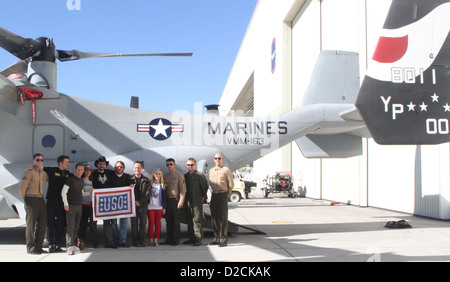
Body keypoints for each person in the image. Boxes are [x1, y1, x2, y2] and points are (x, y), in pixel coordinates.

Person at [19, 154, 49, 255]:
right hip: (31, 199)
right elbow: (22, 188)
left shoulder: (44, 173)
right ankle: (31, 248)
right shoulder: (28, 173)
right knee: (31, 225)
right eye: (37, 160)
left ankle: (39, 247)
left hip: (40, 199)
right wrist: (26, 200)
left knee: (42, 224)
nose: (39, 162)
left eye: (41, 160)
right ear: (33, 161)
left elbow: (51, 179)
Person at [43, 155, 72, 253]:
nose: (68, 164)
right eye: (66, 162)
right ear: (60, 163)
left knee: (61, 224)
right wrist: (32, 168)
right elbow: (41, 169)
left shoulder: (68, 173)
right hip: (51, 200)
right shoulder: (51, 170)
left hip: (61, 202)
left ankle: (58, 244)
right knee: (49, 223)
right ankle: (50, 244)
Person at [209, 153, 234, 247]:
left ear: (222, 159)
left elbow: (231, 184)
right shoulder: (211, 170)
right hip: (214, 195)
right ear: (214, 159)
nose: (217, 160)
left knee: (223, 218)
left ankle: (223, 239)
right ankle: (216, 238)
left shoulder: (226, 170)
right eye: (216, 158)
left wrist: (227, 195)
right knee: (214, 218)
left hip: (222, 194)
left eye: (219, 158)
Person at [61, 163, 85, 254]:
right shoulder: (70, 180)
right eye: (79, 169)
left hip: (79, 206)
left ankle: (73, 244)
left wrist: (91, 193)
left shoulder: (81, 181)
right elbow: (63, 192)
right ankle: (69, 245)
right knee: (70, 226)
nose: (80, 171)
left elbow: (81, 193)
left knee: (76, 226)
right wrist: (65, 204)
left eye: (82, 170)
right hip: (71, 206)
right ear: (75, 170)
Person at [183, 158, 209, 246]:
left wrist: (201, 198)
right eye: (188, 165)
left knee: (197, 219)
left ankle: (198, 239)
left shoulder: (199, 175)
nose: (190, 167)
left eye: (192, 165)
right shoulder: (185, 176)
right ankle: (191, 238)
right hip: (188, 202)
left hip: (196, 201)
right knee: (189, 220)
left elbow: (205, 188)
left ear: (195, 165)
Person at [92, 156, 116, 248]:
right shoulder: (93, 174)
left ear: (106, 165)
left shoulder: (110, 173)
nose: (102, 165)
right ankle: (94, 241)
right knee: (94, 222)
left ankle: (109, 242)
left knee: (107, 222)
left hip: (107, 201)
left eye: (103, 164)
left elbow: (120, 174)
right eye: (100, 163)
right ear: (97, 164)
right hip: (95, 200)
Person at [162, 158, 186, 246]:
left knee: (176, 221)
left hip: (176, 199)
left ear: (174, 164)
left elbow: (183, 190)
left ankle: (176, 239)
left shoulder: (179, 175)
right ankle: (169, 239)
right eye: (167, 164)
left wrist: (181, 201)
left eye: (171, 164)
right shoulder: (165, 176)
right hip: (168, 200)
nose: (169, 166)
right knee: (168, 221)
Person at [110, 160, 132, 247]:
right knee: (114, 222)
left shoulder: (127, 177)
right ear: (115, 168)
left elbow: (131, 186)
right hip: (113, 203)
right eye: (117, 167)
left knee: (124, 222)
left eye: (121, 166)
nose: (119, 168)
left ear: (123, 168)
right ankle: (115, 240)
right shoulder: (111, 176)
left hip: (124, 203)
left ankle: (122, 240)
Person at [78, 164, 98, 249]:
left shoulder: (93, 181)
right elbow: (80, 193)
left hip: (92, 205)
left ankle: (94, 241)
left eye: (89, 171)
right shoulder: (81, 181)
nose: (88, 172)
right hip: (83, 205)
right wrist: (89, 193)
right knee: (82, 224)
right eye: (86, 170)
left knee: (93, 225)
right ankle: (81, 241)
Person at [130, 161, 151, 247]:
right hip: (133, 205)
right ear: (133, 168)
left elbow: (148, 193)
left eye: (138, 167)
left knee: (143, 224)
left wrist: (139, 202)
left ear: (142, 168)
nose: (137, 169)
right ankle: (135, 241)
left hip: (142, 205)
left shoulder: (146, 180)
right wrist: (134, 202)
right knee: (134, 224)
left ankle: (141, 240)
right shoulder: (129, 179)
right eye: (135, 167)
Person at [147, 168, 167, 246]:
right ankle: (151, 240)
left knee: (158, 224)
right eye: (156, 174)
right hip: (150, 206)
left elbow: (165, 198)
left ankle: (156, 240)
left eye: (159, 174)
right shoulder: (150, 184)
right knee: (151, 223)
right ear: (153, 175)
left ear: (161, 175)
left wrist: (164, 207)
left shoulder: (163, 185)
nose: (157, 175)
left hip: (159, 207)